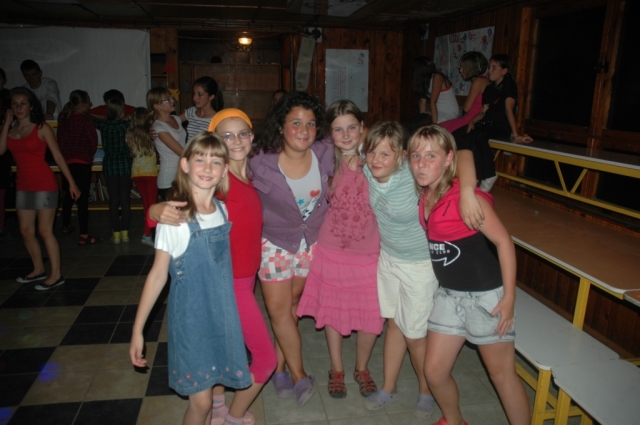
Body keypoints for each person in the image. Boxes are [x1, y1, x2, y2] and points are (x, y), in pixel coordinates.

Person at [149, 109, 277, 424]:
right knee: (266, 359)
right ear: (215, 141)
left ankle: (218, 405)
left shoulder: (247, 177)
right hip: (230, 285)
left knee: (222, 350)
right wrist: (154, 210)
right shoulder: (220, 182)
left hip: (246, 280)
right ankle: (234, 417)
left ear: (252, 137)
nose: (236, 141)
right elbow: (177, 206)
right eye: (227, 136)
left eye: (242, 133)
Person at [408, 125, 530, 425]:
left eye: (431, 156)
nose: (421, 164)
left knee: (501, 374)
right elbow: (462, 152)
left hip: (486, 297)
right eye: (416, 156)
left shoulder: (465, 199)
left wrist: (509, 298)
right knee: (434, 371)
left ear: (447, 159)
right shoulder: (426, 193)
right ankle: (454, 421)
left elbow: (504, 243)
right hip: (448, 295)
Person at [130, 132, 252, 425]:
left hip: (221, 316)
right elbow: (157, 276)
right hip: (191, 322)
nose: (208, 168)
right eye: (200, 160)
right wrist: (137, 330)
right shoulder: (175, 218)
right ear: (185, 165)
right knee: (201, 402)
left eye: (216, 162)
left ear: (225, 169)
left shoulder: (222, 210)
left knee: (213, 389)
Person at [296, 100, 383, 399]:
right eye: (338, 129)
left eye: (352, 128)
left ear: (362, 128)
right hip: (331, 248)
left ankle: (362, 368)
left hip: (369, 250)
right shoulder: (323, 159)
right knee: (333, 311)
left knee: (371, 312)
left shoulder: (376, 158)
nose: (346, 135)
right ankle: (336, 369)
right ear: (328, 133)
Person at [250, 91, 332, 406]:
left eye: (310, 124)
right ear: (281, 126)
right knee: (277, 309)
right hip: (273, 243)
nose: (303, 130)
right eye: (296, 122)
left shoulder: (326, 152)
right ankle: (299, 374)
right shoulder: (258, 159)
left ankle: (280, 368)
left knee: (293, 306)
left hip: (311, 242)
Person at [359, 121, 437, 418]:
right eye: (372, 153)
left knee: (415, 335)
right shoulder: (369, 169)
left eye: (385, 154)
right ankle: (389, 387)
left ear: (402, 156)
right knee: (393, 324)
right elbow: (350, 138)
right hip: (388, 259)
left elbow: (462, 157)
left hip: (419, 264)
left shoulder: (414, 177)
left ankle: (427, 389)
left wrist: (468, 190)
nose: (376, 160)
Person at [0, 87, 80, 289]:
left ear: (31, 106)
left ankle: (56, 274)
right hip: (23, 185)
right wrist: (6, 124)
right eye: (14, 104)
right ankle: (38, 269)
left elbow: (58, 156)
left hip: (44, 184)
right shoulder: (11, 129)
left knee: (45, 231)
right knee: (26, 231)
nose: (18, 107)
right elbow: (1, 150)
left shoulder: (41, 128)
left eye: (23, 103)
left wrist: (71, 182)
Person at [453, 54, 532, 193]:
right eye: (489, 67)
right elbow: (483, 112)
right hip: (486, 123)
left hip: (500, 125)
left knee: (478, 136)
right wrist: (472, 121)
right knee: (457, 136)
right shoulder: (489, 89)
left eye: (494, 67)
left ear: (505, 71)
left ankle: (489, 174)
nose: (490, 70)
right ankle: (466, 174)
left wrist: (516, 134)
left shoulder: (508, 85)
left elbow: (508, 109)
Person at [57, 89, 101, 244]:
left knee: (69, 196)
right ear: (82, 105)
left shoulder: (64, 118)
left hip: (67, 163)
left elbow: (60, 140)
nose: (90, 104)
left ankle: (65, 225)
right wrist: (88, 154)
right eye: (89, 102)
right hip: (82, 163)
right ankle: (84, 234)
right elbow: (93, 141)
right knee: (82, 199)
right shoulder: (85, 120)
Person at [93, 98, 132, 243]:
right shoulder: (126, 125)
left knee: (113, 201)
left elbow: (90, 116)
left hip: (110, 164)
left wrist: (103, 117)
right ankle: (125, 233)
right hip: (125, 163)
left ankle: (116, 234)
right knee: (125, 200)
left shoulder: (104, 125)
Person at [126, 107, 158, 247]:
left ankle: (149, 231)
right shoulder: (151, 132)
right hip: (150, 173)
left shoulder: (129, 134)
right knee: (151, 204)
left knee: (146, 204)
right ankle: (147, 234)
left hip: (136, 173)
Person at [148, 87, 186, 200]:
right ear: (157, 106)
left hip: (181, 177)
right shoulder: (158, 127)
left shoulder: (176, 119)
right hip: (169, 180)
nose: (172, 101)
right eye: (167, 99)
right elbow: (182, 153)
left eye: (171, 97)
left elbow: (195, 112)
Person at [440, 51, 491, 134]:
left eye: (463, 67)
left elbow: (466, 108)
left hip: (470, 120)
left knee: (438, 131)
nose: (460, 70)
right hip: (469, 118)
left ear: (471, 68)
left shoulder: (479, 81)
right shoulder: (483, 79)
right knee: (437, 128)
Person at [180, 76, 219, 141]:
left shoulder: (217, 119)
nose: (194, 98)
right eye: (194, 93)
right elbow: (172, 121)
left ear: (211, 97)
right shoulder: (191, 111)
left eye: (200, 94)